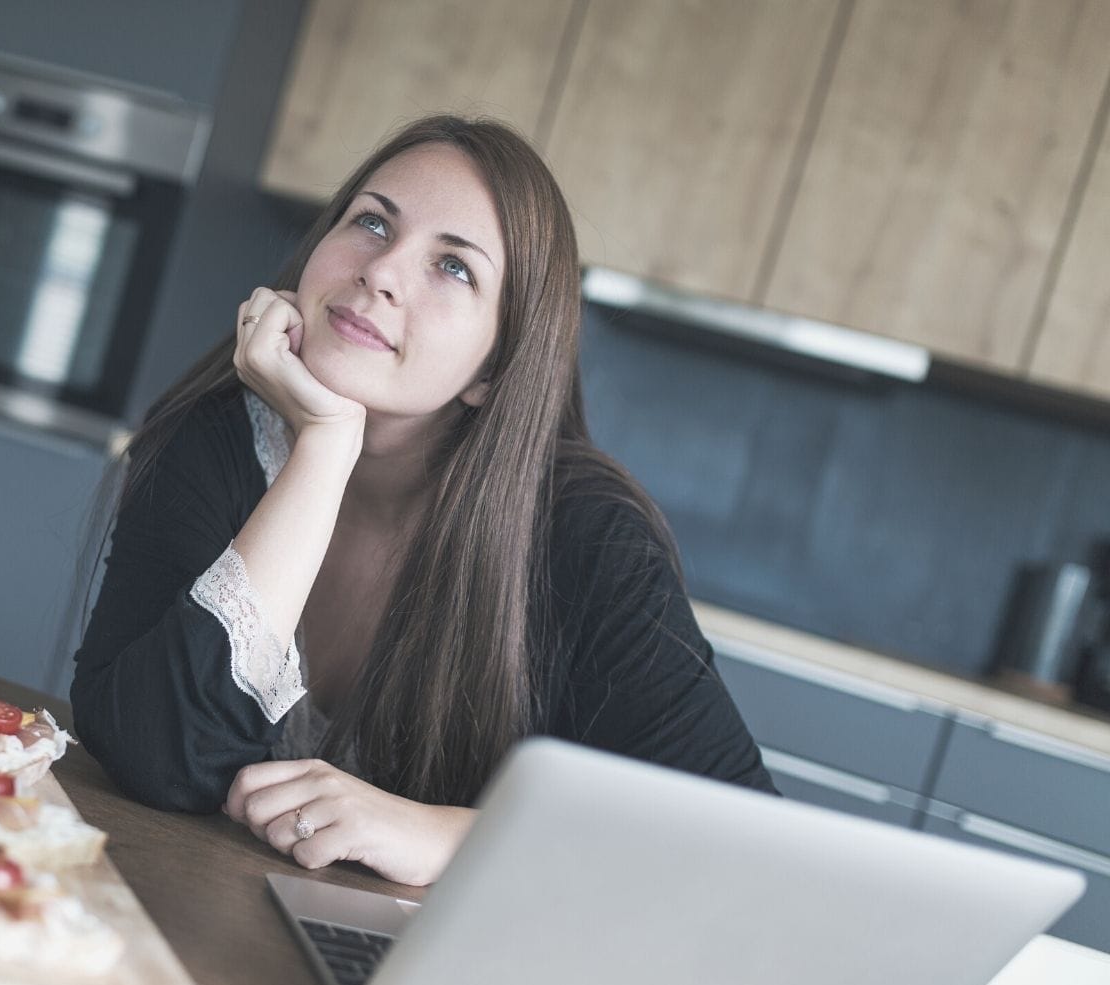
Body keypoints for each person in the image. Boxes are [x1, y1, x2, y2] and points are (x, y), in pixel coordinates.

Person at [71, 115, 774, 888]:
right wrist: (323, 451)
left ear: (490, 374)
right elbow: (155, 757)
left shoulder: (587, 540)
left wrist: (448, 839)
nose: (382, 272)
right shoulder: (215, 438)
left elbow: (743, 852)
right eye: (371, 222)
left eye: (454, 268)